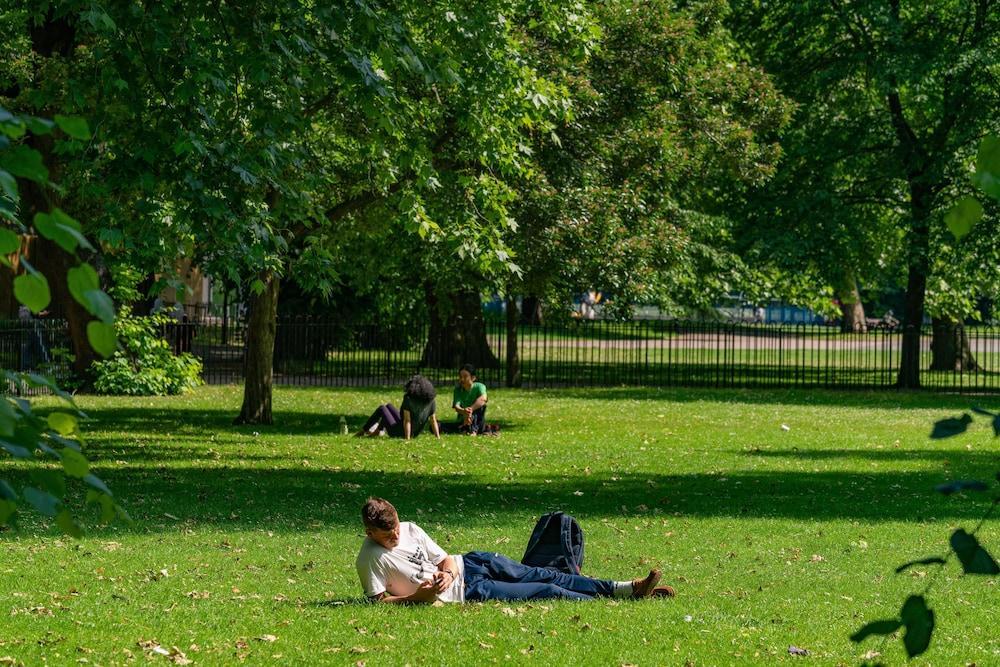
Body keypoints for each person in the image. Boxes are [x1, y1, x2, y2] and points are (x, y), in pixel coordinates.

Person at [356, 498, 675, 603]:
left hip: (470, 563)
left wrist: (446, 572)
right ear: (371, 532)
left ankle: (627, 588)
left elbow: (443, 558)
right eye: (389, 535)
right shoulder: (370, 558)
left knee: (549, 574)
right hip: (469, 591)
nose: (397, 535)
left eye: (397, 527)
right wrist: (419, 597)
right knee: (547, 589)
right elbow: (378, 603)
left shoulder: (411, 528)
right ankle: (618, 602)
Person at [356, 375, 441, 440]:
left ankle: (363, 431)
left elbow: (407, 421)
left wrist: (407, 439)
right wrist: (438, 437)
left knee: (382, 408)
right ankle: (377, 431)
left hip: (400, 432)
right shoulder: (431, 401)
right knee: (388, 406)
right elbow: (433, 421)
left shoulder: (409, 399)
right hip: (415, 433)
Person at [441, 363, 490, 435]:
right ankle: (465, 428)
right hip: (463, 420)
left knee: (481, 407)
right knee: (439, 426)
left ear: (473, 378)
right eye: (460, 376)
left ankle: (473, 430)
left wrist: (470, 410)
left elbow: (483, 399)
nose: (462, 379)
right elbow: (457, 406)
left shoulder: (480, 386)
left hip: (477, 421)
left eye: (465, 376)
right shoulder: (458, 390)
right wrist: (464, 411)